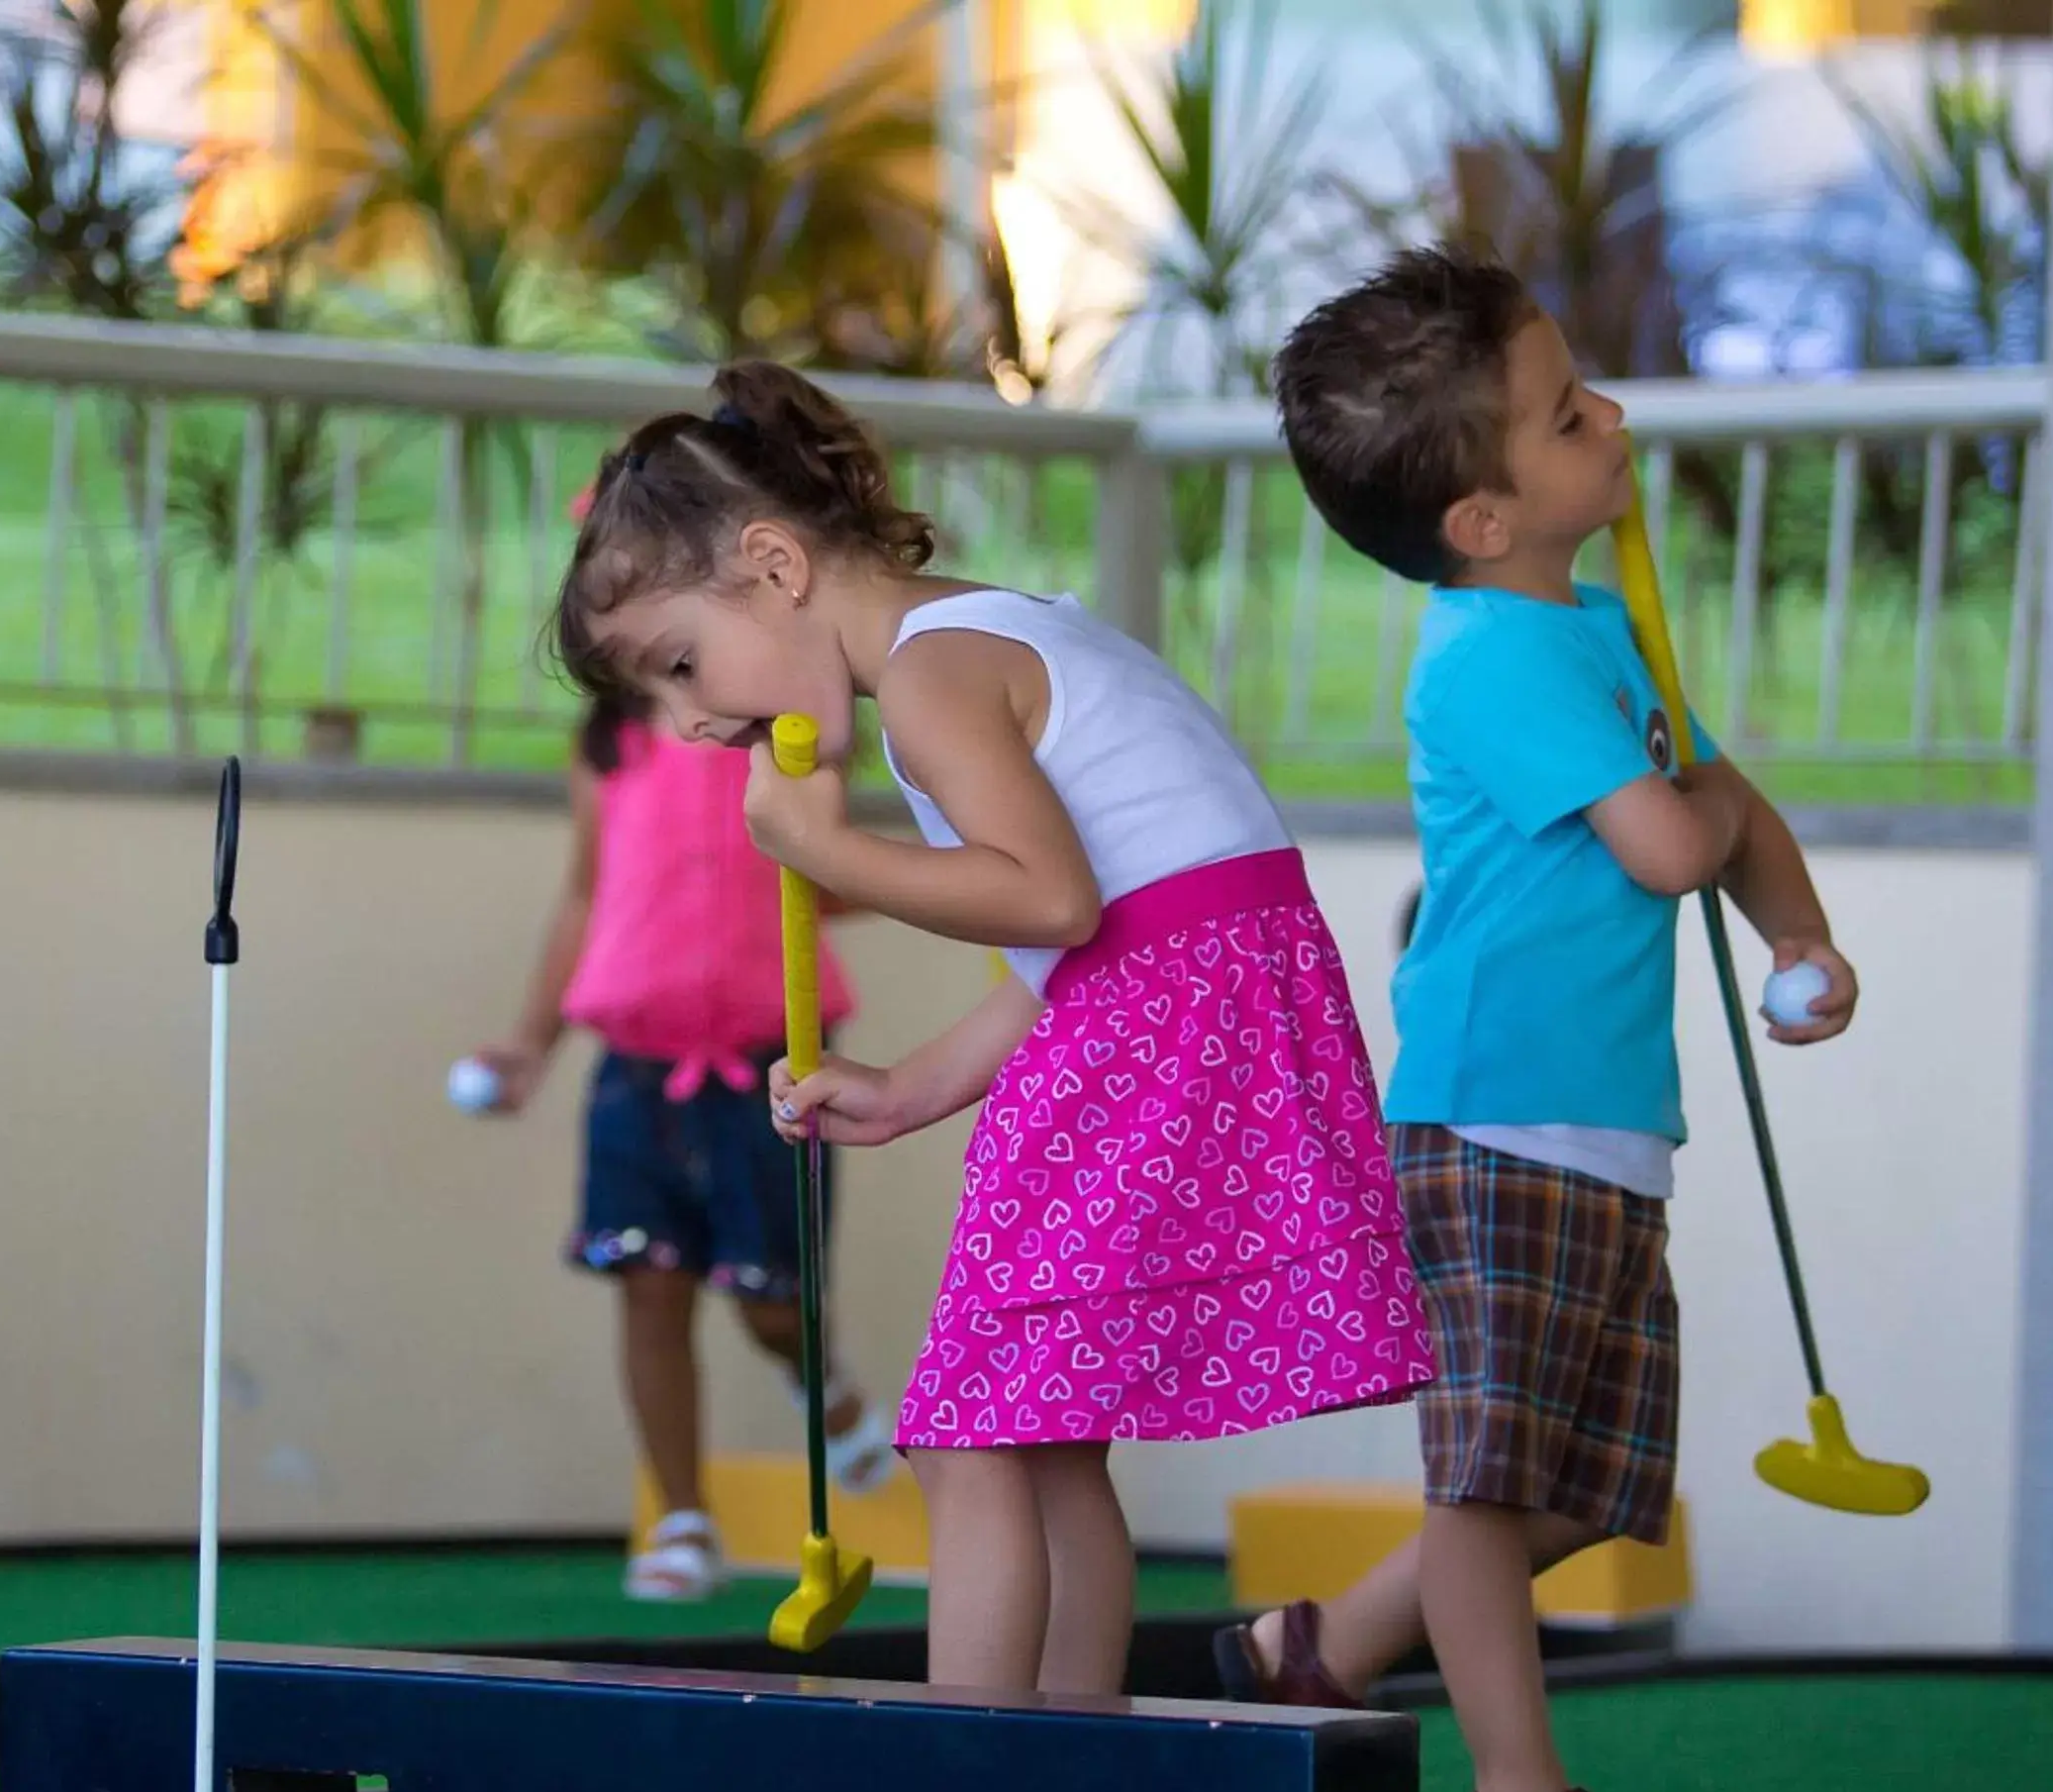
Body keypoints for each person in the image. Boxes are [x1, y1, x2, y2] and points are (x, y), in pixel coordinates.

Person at [548, 359, 1434, 1696]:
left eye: (680, 662)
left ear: (774, 565)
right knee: (1041, 1435)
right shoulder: (981, 635)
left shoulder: (929, 676)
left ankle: (973, 1780)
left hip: (1162, 1029)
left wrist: (834, 857)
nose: (691, 719)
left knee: (969, 1438)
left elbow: (1050, 901)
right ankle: (1074, 1759)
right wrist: (907, 1087)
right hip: (1179, 1011)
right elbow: (1070, 946)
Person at [1230, 245, 1863, 1792]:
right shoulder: (1493, 660)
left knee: (1587, 1490)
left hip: (1593, 1128)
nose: (1611, 416)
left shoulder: (1585, 625)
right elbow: (1672, 837)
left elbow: (1726, 810)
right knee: (1489, 1480)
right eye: (1564, 411)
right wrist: (1713, 817)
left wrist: (1799, 937)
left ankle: (1323, 1645)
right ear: (1481, 521)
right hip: (1489, 1115)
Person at [466, 687, 896, 1603]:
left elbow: (834, 880)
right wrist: (531, 1044)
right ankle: (683, 1518)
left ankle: (824, 1383)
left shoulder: (787, 737)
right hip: (637, 1068)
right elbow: (587, 892)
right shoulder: (608, 744)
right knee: (648, 1287)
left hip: (768, 1066)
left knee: (773, 1305)